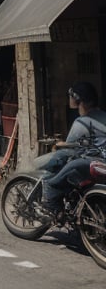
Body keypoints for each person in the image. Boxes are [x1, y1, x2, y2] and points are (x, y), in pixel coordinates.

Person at [42, 81, 106, 217]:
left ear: (78, 99)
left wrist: (58, 144)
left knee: (55, 177)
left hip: (95, 163)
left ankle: (53, 205)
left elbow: (70, 147)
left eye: (70, 96)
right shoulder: (103, 116)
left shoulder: (81, 122)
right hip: (100, 162)